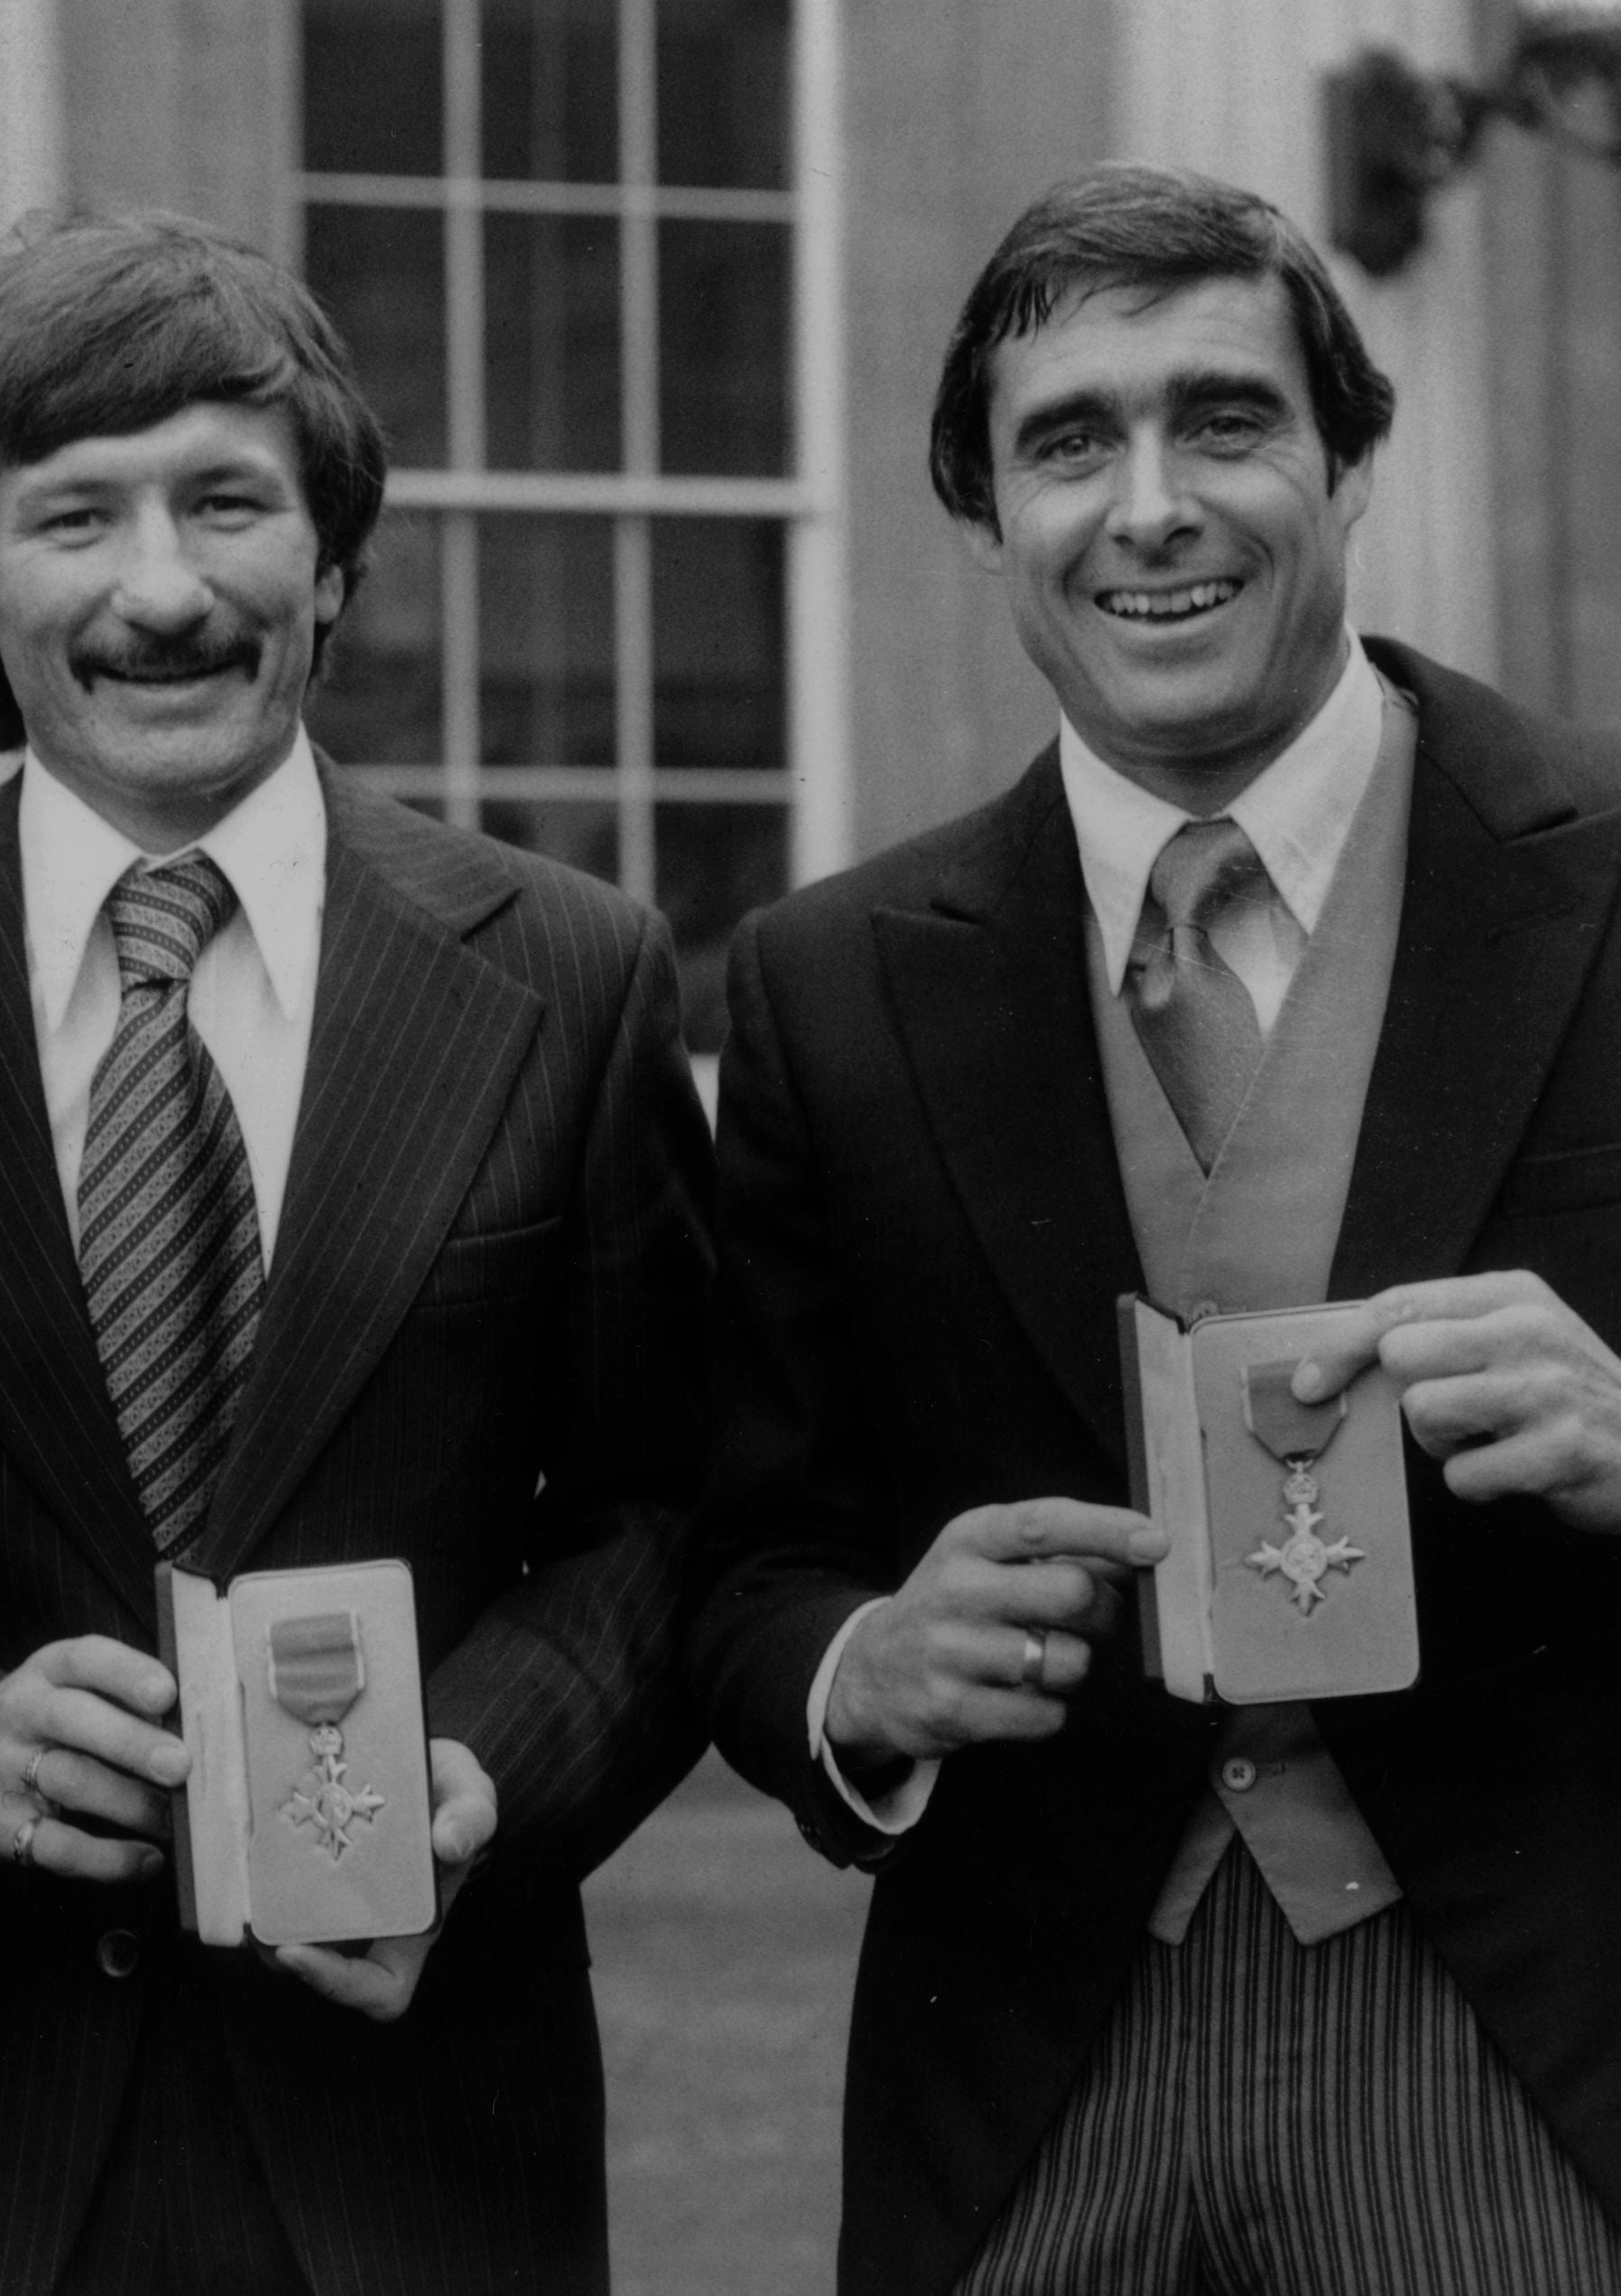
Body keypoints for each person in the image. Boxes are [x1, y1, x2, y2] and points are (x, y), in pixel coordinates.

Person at [0, 210, 712, 2296]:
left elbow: (663, 1513)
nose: (161, 588)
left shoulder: (568, 978)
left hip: (413, 2136)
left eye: (228, 503)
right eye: (74, 518)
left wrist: (475, 1768)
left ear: (333, 563)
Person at [690, 161, 1621, 2293]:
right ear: (985, 515)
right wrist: (864, 1659)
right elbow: (742, 1554)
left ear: (1348, 456)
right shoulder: (831, 985)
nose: (1150, 506)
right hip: (1027, 2068)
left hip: (1526, 2052)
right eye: (1067, 445)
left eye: (1222, 420)